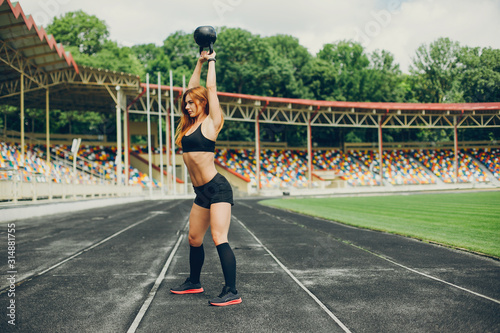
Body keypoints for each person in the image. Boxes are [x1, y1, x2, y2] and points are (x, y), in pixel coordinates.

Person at [169, 49, 241, 306]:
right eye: (185, 103)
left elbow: (209, 88)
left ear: (203, 102)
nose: (187, 106)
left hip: (217, 189)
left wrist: (211, 61)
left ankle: (231, 291)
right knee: (194, 238)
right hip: (200, 192)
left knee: (219, 237)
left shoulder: (212, 122)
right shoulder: (188, 125)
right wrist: (197, 63)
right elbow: (192, 87)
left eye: (192, 102)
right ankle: (194, 282)